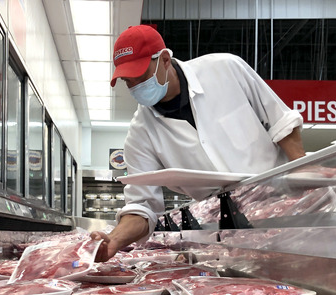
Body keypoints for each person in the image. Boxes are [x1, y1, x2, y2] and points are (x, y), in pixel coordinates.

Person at [91, 25, 306, 262]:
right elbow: (143, 207)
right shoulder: (140, 133)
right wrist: (115, 239)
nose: (135, 87)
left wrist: (303, 175)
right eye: (127, 81)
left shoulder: (225, 69)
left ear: (164, 59)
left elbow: (281, 121)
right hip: (227, 231)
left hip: (286, 206)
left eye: (141, 77)